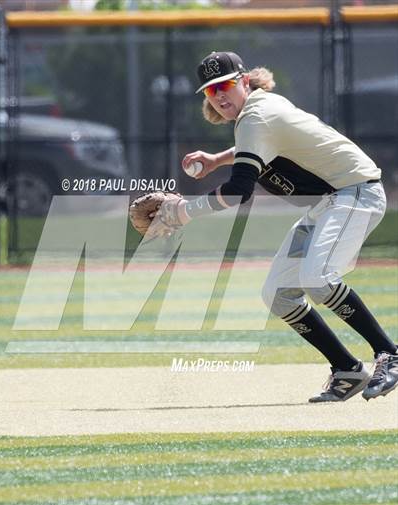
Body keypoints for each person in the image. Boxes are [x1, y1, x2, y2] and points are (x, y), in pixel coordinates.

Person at [160, 50, 397, 403]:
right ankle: (347, 369)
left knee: (318, 277)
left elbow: (239, 191)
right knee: (278, 294)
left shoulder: (255, 116)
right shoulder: (256, 113)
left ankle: (389, 352)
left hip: (354, 193)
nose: (220, 95)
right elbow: (260, 143)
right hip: (326, 205)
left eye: (225, 84)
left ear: (243, 80)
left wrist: (183, 212)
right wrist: (217, 160)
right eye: (211, 91)